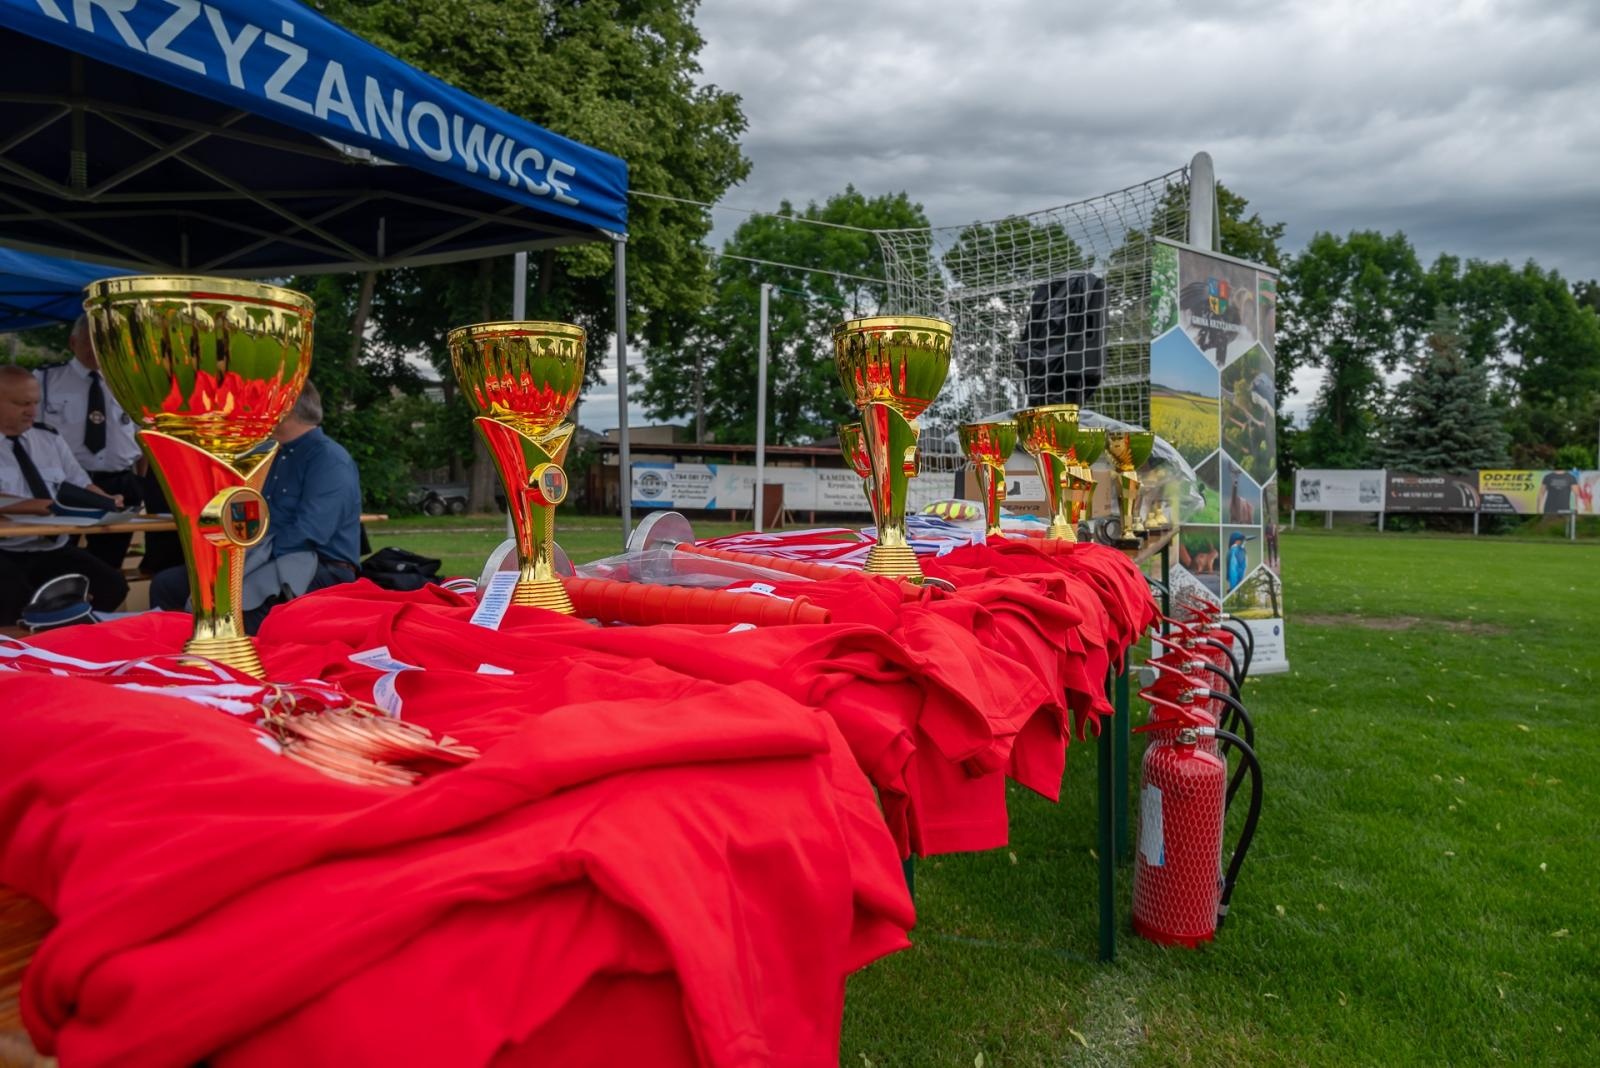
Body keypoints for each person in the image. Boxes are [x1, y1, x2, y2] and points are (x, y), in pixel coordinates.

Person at [150, 380, 362, 632]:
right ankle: (171, 660)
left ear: (284, 411)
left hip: (321, 566)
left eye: (263, 406)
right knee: (168, 585)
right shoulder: (268, 454)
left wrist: (248, 560)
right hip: (269, 554)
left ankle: (229, 665)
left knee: (235, 613)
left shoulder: (329, 459)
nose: (254, 413)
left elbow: (311, 531)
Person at [0, 364, 129, 625]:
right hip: (5, 550)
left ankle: (64, 640)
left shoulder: (48, 438)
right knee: (13, 599)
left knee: (111, 585)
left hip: (50, 548)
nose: (32, 411)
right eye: (21, 403)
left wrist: (105, 499)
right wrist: (34, 506)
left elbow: (80, 482)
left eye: (35, 403)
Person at [35, 315, 145, 569]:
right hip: (65, 484)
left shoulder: (130, 383)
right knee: (57, 558)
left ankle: (102, 606)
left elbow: (141, 438)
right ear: (73, 342)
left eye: (104, 343)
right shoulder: (46, 381)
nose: (97, 350)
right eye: (89, 342)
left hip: (120, 483)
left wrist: (140, 481)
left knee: (109, 564)